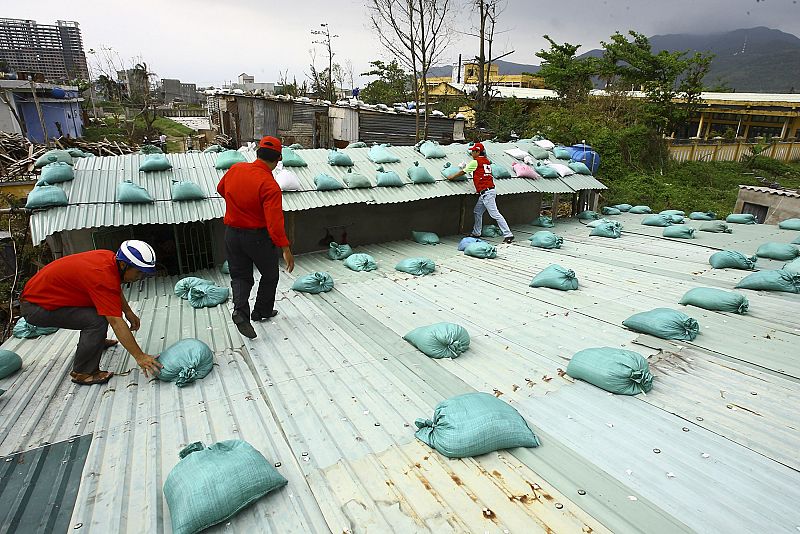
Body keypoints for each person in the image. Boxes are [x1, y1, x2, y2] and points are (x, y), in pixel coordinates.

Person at [19, 240, 163, 385]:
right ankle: (83, 372)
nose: (139, 277)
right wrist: (140, 356)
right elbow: (116, 322)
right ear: (124, 265)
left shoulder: (110, 259)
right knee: (97, 320)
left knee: (103, 309)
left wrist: (128, 310)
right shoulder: (101, 275)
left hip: (41, 298)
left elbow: (112, 287)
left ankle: (96, 340)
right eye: (138, 272)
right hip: (35, 308)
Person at [217, 135, 295, 339]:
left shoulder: (236, 169)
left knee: (241, 276)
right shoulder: (269, 186)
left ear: (257, 153)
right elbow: (274, 223)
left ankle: (240, 312)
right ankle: (261, 311)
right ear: (278, 159)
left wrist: (238, 205)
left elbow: (220, 188)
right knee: (270, 275)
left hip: (232, 234)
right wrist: (285, 248)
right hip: (257, 237)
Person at [447, 142, 514, 243]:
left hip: (487, 192)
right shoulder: (486, 161)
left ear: (478, 152)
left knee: (495, 214)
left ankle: (508, 234)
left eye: (473, 151)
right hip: (486, 192)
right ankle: (476, 233)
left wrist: (452, 177)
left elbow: (463, 172)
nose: (472, 153)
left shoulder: (476, 162)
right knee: (477, 211)